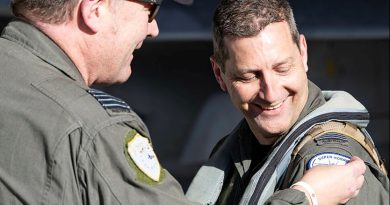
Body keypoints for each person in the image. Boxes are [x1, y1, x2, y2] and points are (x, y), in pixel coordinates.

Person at [0, 0, 367, 204]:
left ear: (302, 52)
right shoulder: (91, 132)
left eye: (281, 68)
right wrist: (307, 196)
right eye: (151, 8)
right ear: (94, 10)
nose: (154, 28)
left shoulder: (331, 149)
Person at [186, 0, 389, 204]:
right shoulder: (237, 151)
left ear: (303, 53)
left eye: (282, 69)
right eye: (249, 76)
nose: (271, 94)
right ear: (219, 74)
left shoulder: (327, 164)